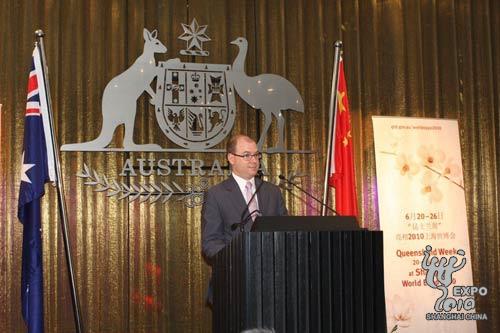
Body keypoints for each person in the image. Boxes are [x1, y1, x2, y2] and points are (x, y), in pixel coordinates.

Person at [201, 134, 288, 260]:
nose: (254, 160)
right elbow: (210, 243)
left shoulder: (272, 191)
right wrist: (240, 256)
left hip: (273, 271)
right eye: (247, 155)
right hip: (236, 272)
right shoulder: (216, 195)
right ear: (231, 158)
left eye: (256, 155)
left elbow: (286, 231)